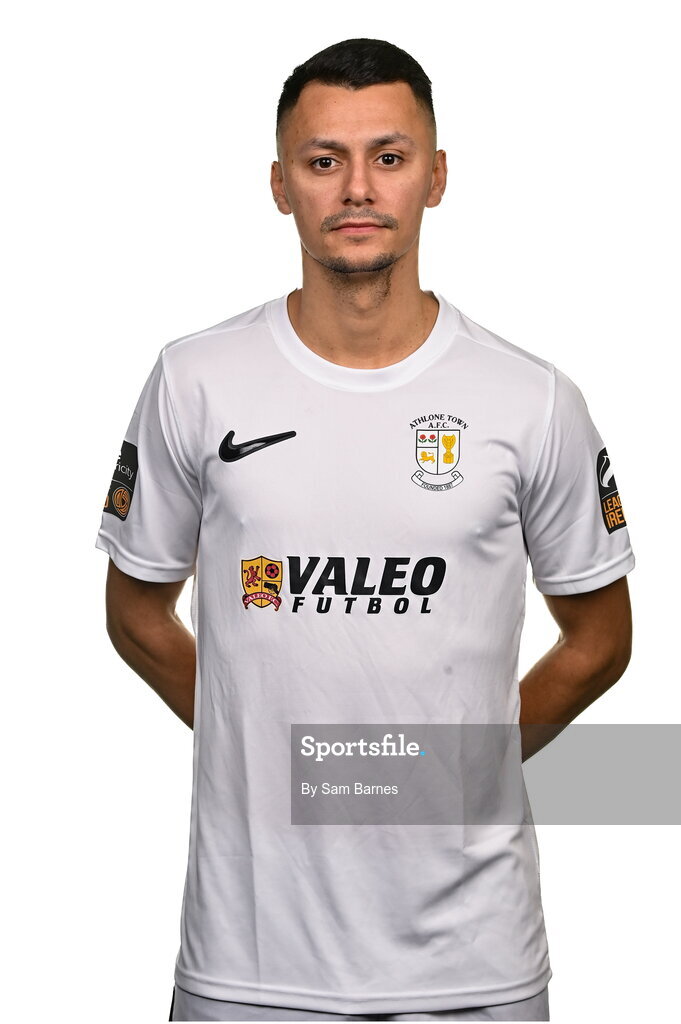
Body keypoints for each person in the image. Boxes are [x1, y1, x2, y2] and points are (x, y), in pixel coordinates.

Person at [95, 38, 635, 1023]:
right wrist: (249, 740)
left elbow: (601, 639)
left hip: (474, 971)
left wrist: (451, 772)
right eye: (322, 160)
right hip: (248, 966)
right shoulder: (194, 377)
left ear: (436, 176)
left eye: (388, 157)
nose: (356, 188)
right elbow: (136, 610)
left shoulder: (532, 400)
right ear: (278, 184)